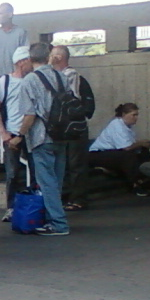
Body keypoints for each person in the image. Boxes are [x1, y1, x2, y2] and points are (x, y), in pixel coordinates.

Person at [8, 42, 70, 236]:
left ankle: (58, 223)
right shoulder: (62, 76)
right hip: (63, 135)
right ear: (48, 56)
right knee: (57, 181)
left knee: (47, 182)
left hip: (41, 137)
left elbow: (29, 115)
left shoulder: (29, 81)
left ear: (30, 58)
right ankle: (54, 217)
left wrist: (19, 136)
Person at [0, 46, 34, 222]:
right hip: (11, 132)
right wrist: (2, 132)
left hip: (31, 133)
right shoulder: (5, 81)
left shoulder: (33, 80)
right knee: (12, 173)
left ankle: (34, 205)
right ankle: (11, 207)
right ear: (21, 62)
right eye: (29, 61)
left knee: (35, 171)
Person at [52, 45, 95, 211]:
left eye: (53, 55)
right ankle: (71, 196)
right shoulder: (70, 76)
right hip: (71, 127)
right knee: (70, 163)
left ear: (59, 57)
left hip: (72, 128)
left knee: (75, 163)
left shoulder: (70, 75)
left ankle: (78, 198)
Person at [88, 103, 150, 192]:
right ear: (124, 115)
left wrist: (142, 145)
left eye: (137, 115)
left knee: (143, 151)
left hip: (112, 152)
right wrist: (140, 143)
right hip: (97, 154)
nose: (136, 118)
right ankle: (134, 184)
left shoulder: (128, 127)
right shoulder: (117, 124)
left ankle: (144, 179)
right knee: (127, 156)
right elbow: (126, 147)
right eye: (133, 115)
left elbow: (131, 145)